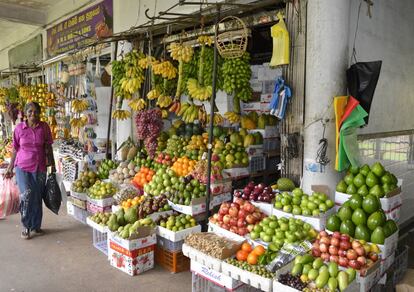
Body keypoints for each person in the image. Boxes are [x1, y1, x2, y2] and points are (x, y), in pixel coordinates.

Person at [4, 102, 55, 239]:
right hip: (22, 167)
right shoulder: (19, 128)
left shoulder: (44, 127)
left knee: (37, 197)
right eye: (30, 112)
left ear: (39, 113)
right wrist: (10, 167)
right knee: (26, 196)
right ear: (26, 113)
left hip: (40, 167)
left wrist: (53, 166)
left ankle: (36, 226)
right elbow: (15, 149)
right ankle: (26, 226)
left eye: (36, 112)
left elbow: (48, 147)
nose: (33, 114)